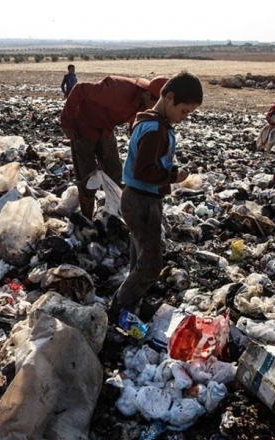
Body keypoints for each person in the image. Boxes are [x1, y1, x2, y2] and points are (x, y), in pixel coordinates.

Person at [108, 71, 203, 323]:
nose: (183, 118)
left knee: (138, 257)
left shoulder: (153, 123)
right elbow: (143, 170)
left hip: (139, 197)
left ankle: (131, 306)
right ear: (169, 97)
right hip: (142, 201)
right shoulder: (154, 129)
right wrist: (173, 176)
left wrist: (170, 171)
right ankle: (118, 309)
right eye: (184, 111)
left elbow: (150, 164)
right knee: (151, 265)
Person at [59, 75, 169, 219]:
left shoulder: (145, 103)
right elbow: (80, 89)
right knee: (87, 176)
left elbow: (136, 124)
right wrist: (67, 122)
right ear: (147, 95)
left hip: (106, 129)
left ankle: (117, 212)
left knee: (115, 170)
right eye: (157, 104)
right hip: (84, 125)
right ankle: (87, 218)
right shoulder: (117, 90)